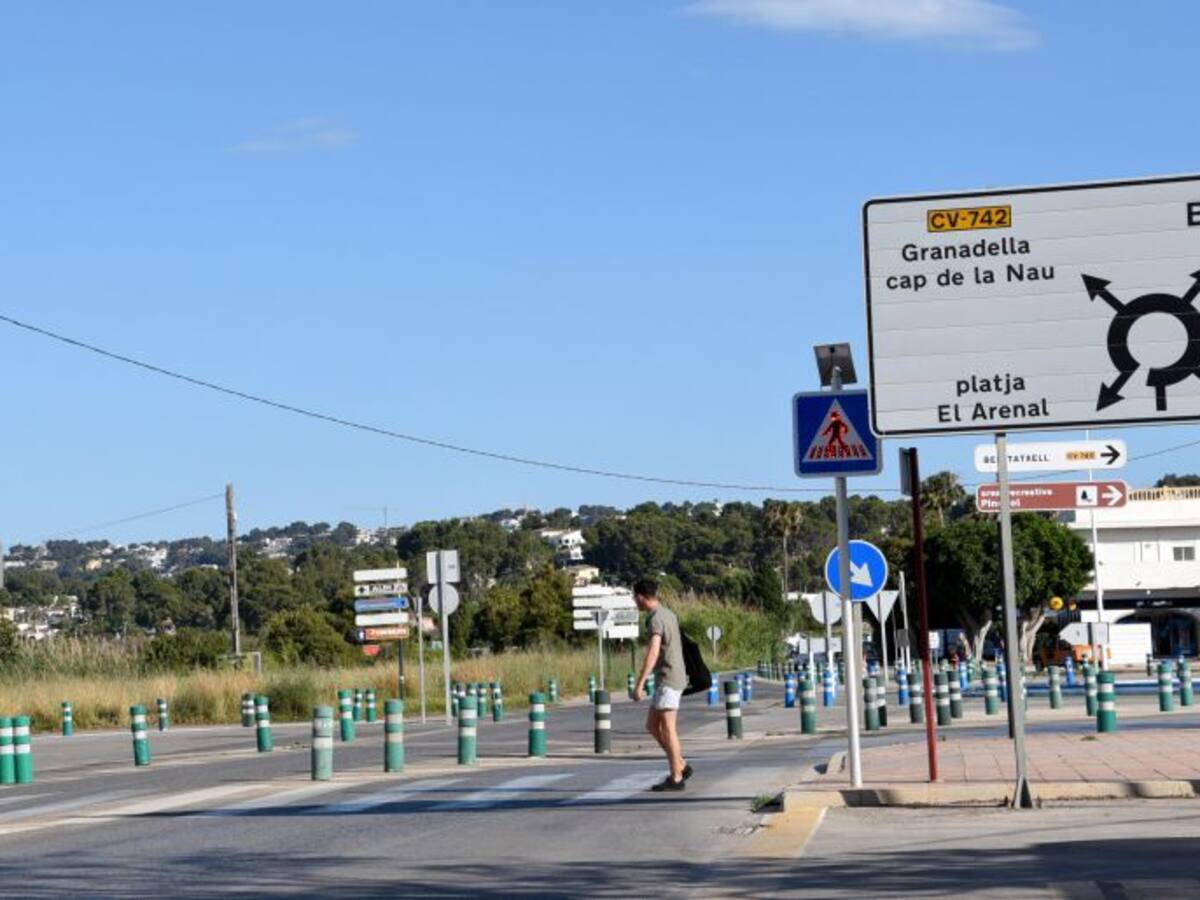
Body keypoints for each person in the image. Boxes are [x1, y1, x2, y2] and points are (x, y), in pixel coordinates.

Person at [632, 578, 692, 792]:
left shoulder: (656, 619)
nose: (634, 601)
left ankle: (676, 777)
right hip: (671, 677)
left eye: (634, 597)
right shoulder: (668, 613)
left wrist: (640, 683)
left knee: (668, 729)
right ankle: (681, 764)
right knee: (651, 726)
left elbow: (653, 652)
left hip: (669, 677)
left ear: (640, 596)